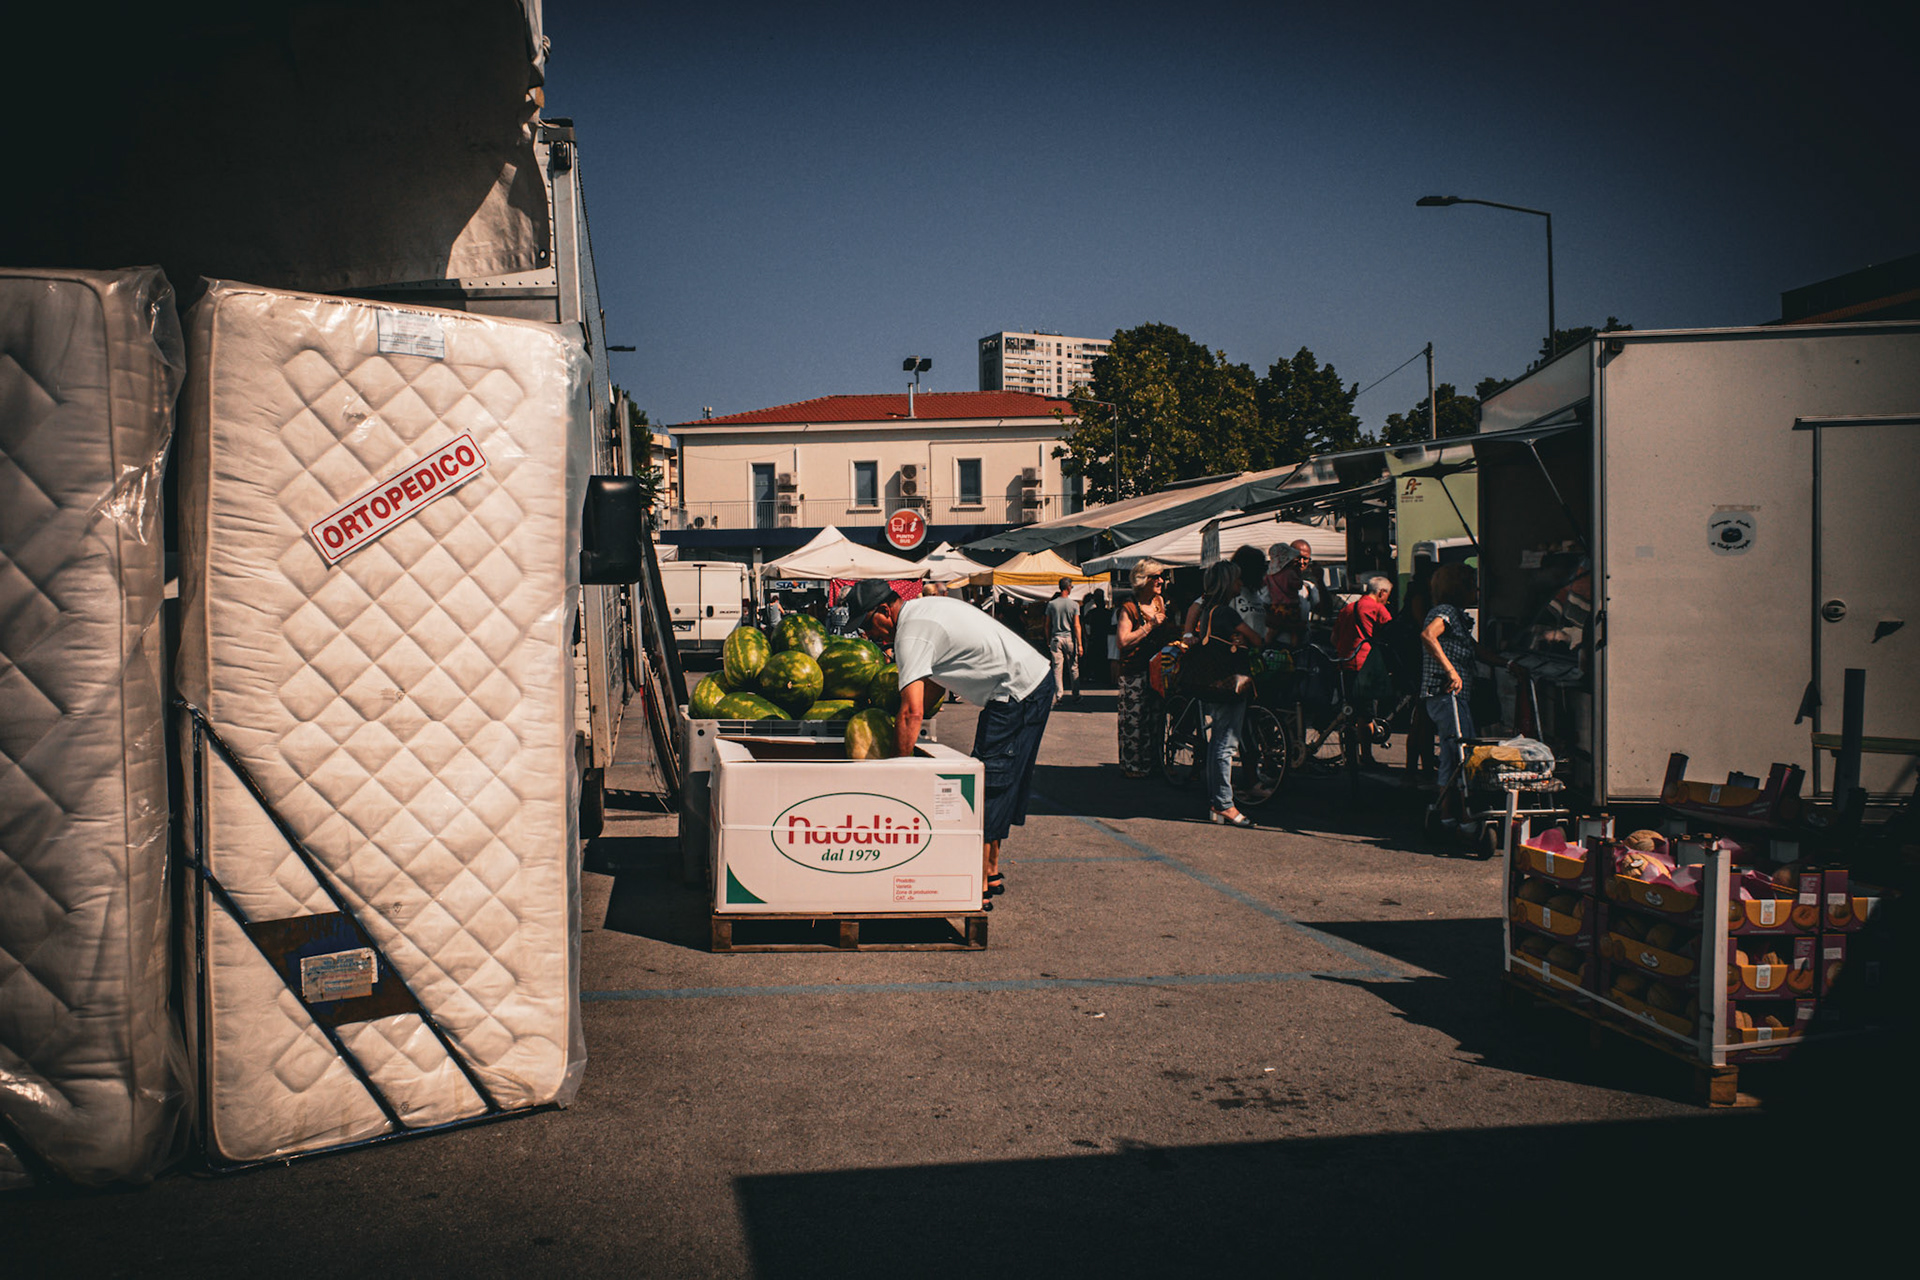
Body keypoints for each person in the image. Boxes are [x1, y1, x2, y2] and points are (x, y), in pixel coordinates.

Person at [845, 579, 1054, 913]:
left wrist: (898, 773)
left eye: (868, 625)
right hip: (1029, 684)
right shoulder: (925, 612)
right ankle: (990, 870)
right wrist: (897, 716)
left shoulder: (911, 633)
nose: (869, 636)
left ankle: (978, 886)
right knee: (1000, 777)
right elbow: (929, 691)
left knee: (990, 783)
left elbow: (913, 712)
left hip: (1014, 694)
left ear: (885, 611)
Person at [1182, 561, 1263, 827]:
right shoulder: (1227, 613)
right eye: (1237, 580)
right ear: (1229, 583)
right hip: (1228, 684)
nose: (1240, 584)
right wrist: (1247, 639)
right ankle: (1224, 804)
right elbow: (1257, 639)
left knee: (1219, 741)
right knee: (1225, 744)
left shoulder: (1208, 610)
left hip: (1212, 683)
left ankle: (1219, 802)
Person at [1420, 562, 1499, 830]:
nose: (1477, 590)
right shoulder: (1445, 612)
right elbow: (1428, 636)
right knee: (1457, 752)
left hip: (1455, 695)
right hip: (1446, 694)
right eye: (1472, 585)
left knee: (1457, 752)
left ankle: (1452, 814)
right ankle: (1454, 814)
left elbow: (1477, 650)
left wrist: (1509, 664)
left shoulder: (1458, 618)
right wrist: (1451, 671)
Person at [1114, 559, 1177, 777]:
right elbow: (1122, 641)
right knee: (1134, 718)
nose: (1161, 580)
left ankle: (1153, 762)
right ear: (1143, 580)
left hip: (1157, 670)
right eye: (1156, 577)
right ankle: (1132, 765)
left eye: (1162, 576)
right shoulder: (1129, 608)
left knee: (1156, 717)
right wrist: (1149, 626)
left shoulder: (1160, 601)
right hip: (1134, 670)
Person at [1333, 575, 1394, 766]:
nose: (1387, 599)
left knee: (1351, 711)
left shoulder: (1347, 609)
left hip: (1345, 663)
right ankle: (1365, 756)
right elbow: (1391, 636)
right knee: (1366, 714)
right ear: (1381, 592)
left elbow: (1334, 638)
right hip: (1366, 665)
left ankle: (1350, 756)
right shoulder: (1378, 608)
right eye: (1387, 595)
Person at [1264, 541, 1320, 644]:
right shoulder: (1269, 585)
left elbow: (1323, 610)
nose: (1301, 562)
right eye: (1298, 558)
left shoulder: (1308, 587)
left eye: (1306, 559)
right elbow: (1265, 616)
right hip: (1278, 647)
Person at [1044, 577, 1082, 703]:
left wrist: (1048, 639)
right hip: (1070, 638)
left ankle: (1058, 695)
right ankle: (1075, 694)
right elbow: (1077, 625)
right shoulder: (1074, 605)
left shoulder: (1051, 604)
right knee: (1073, 667)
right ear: (1068, 587)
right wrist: (1080, 644)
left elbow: (1047, 624)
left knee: (1057, 668)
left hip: (1056, 638)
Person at [1230, 545, 1274, 644]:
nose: (1264, 570)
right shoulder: (1230, 592)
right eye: (1261, 566)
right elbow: (1197, 605)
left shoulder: (1258, 593)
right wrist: (1188, 634)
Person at [1080, 589, 1111, 688]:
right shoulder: (1107, 612)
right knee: (1103, 656)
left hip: (1095, 636)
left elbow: (1084, 622)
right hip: (1104, 637)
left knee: (1093, 656)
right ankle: (1102, 675)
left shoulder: (1092, 612)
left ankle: (1092, 675)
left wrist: (1086, 634)